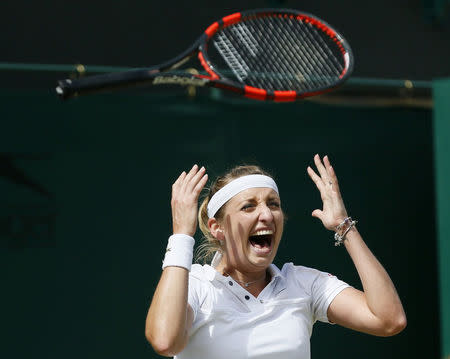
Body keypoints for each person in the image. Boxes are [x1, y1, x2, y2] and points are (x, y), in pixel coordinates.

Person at [145, 155, 407, 359]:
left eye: (273, 204)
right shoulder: (195, 284)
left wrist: (343, 225)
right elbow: (165, 340)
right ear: (218, 227)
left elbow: (388, 320)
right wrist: (181, 235)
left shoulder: (304, 284)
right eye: (249, 206)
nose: (267, 215)